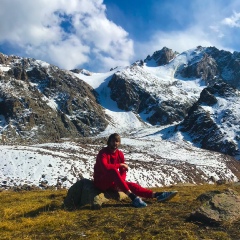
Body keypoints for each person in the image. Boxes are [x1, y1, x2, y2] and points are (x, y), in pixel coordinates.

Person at [93, 133, 178, 208]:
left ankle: (157, 195)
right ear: (109, 142)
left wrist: (120, 182)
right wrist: (120, 165)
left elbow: (123, 171)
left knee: (132, 185)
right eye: (112, 141)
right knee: (113, 171)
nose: (115, 143)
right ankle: (133, 198)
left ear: (119, 143)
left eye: (117, 141)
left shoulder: (120, 154)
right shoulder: (103, 153)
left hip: (112, 183)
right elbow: (106, 167)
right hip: (100, 182)